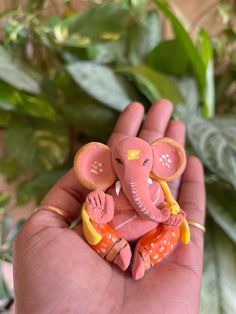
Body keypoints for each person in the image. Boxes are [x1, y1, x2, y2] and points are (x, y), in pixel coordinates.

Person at [13, 99, 205, 314]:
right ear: (106, 163)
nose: (132, 174)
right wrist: (100, 212)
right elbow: (97, 215)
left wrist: (171, 216)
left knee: (172, 231)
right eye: (120, 164)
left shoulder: (158, 189)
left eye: (144, 163)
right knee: (98, 229)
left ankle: (147, 255)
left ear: (157, 162)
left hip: (153, 225)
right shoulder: (109, 189)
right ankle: (117, 250)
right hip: (116, 228)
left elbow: (169, 206)